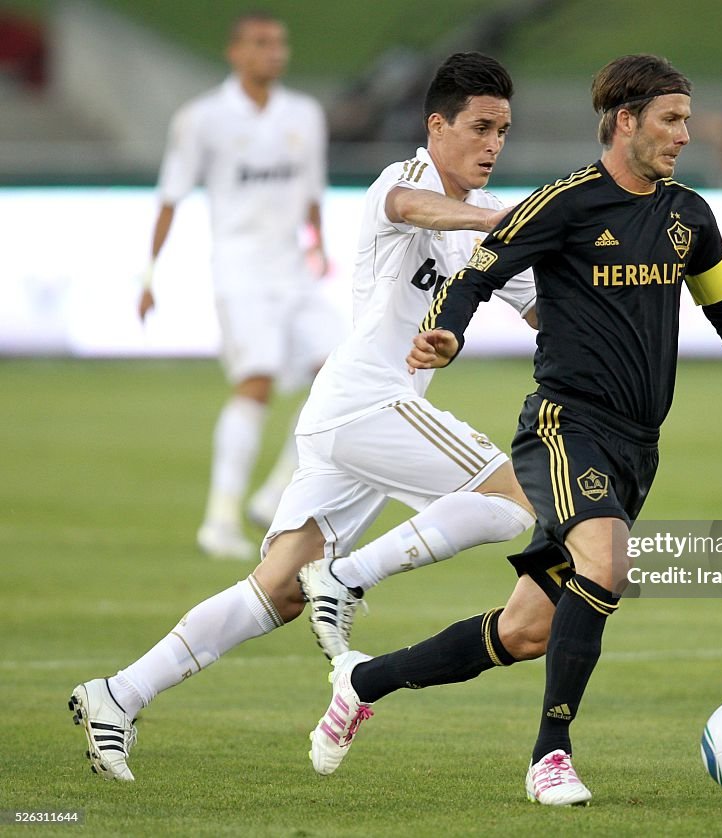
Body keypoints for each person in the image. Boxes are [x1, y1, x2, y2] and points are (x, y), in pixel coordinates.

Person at [305, 54, 722, 806]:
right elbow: (478, 271)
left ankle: (363, 680)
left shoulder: (688, 216)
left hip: (638, 446)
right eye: (671, 119)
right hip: (563, 425)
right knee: (605, 565)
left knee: (526, 630)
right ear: (626, 121)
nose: (684, 134)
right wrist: (447, 333)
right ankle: (551, 756)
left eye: (686, 120)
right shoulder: (564, 203)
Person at [69, 51, 538, 782]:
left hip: (354, 420)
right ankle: (348, 578)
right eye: (480, 127)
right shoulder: (407, 181)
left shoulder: (481, 233)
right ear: (436, 125)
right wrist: (505, 219)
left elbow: (544, 309)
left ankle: (115, 696)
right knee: (514, 499)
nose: (492, 144)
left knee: (278, 590)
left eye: (503, 131)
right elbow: (412, 210)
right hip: (366, 401)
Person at [138, 11, 340, 559]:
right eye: (260, 43)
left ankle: (274, 492)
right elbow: (171, 196)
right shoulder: (202, 118)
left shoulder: (304, 113)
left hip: (293, 272)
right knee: (256, 383)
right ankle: (219, 518)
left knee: (342, 376)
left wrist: (319, 245)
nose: (273, 52)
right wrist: (148, 276)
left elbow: (312, 190)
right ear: (235, 52)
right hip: (240, 272)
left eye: (279, 42)